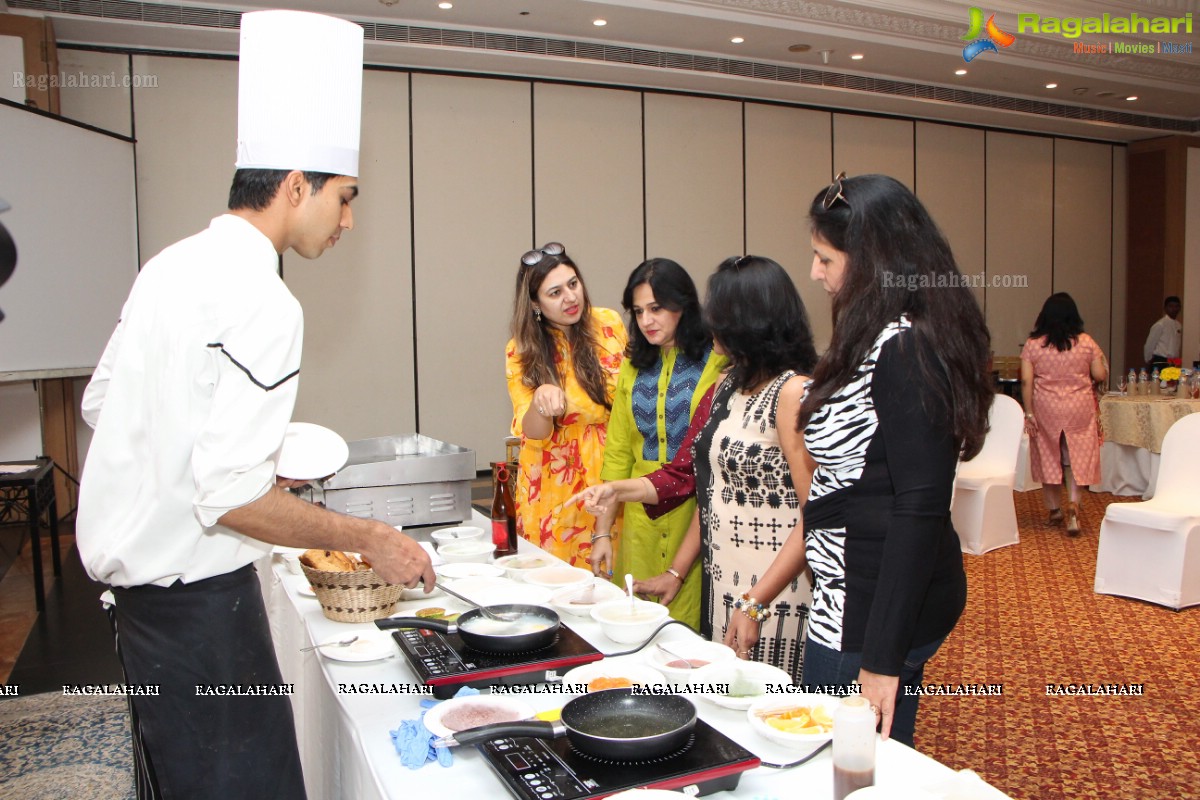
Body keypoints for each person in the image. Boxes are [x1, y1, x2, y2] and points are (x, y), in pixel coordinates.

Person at [75, 12, 434, 798]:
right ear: (295, 185)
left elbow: (107, 406)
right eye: (344, 198)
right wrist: (368, 536)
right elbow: (229, 494)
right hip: (201, 614)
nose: (347, 221)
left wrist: (229, 465)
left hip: (143, 613)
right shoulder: (266, 301)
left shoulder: (169, 265)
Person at [797, 173, 993, 747]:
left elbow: (920, 506)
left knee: (848, 765)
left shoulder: (908, 346)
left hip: (871, 607)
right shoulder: (874, 330)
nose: (815, 272)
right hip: (850, 592)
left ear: (871, 262)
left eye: (825, 258)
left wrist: (882, 659)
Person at [577, 256, 818, 683]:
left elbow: (815, 513)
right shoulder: (728, 384)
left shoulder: (793, 392)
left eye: (718, 313)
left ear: (750, 320)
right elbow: (696, 481)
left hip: (776, 586)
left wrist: (755, 602)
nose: (708, 323)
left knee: (775, 705)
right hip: (724, 581)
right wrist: (674, 569)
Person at [588, 258, 726, 628]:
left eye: (657, 308)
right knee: (637, 625)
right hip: (639, 516)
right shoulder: (633, 366)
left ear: (683, 306)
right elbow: (617, 456)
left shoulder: (716, 361)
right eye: (638, 311)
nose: (647, 320)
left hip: (697, 515)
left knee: (690, 633)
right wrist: (602, 532)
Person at [505, 242, 627, 568]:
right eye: (555, 293)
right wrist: (541, 404)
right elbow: (532, 432)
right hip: (553, 479)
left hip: (611, 465)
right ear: (535, 303)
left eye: (573, 284)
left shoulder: (609, 324)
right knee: (558, 579)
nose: (570, 298)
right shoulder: (521, 350)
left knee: (612, 573)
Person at [1021, 292, 1108, 536]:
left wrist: (1029, 412)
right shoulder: (1086, 342)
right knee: (1077, 454)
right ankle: (1073, 503)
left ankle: (1054, 510)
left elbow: (1027, 380)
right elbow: (1100, 375)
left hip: (1046, 406)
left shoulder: (1033, 344)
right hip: (1078, 406)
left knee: (1048, 454)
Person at [1143, 295, 1182, 370]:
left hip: (1173, 362)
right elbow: (1150, 344)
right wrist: (1148, 360)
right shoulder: (1160, 324)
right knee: (1160, 382)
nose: (1174, 309)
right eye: (1171, 306)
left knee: (1172, 382)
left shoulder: (1178, 325)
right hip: (1160, 361)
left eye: (1177, 306)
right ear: (1165, 308)